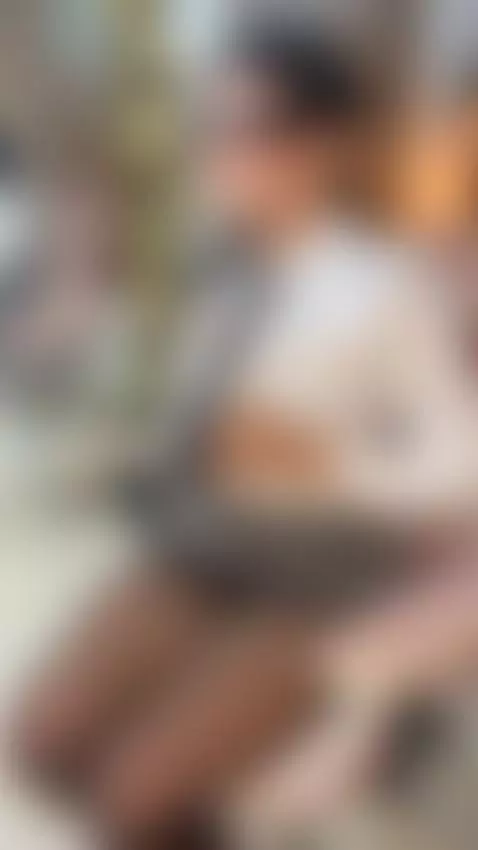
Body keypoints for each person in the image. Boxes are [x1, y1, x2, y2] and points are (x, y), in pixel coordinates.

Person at [15, 20, 477, 850]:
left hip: (312, 575)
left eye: (255, 129)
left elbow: (457, 460)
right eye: (215, 126)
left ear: (325, 145)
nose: (226, 153)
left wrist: (331, 464)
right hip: (202, 545)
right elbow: (187, 428)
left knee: (137, 795)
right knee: (40, 741)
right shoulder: (225, 273)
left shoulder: (379, 289)